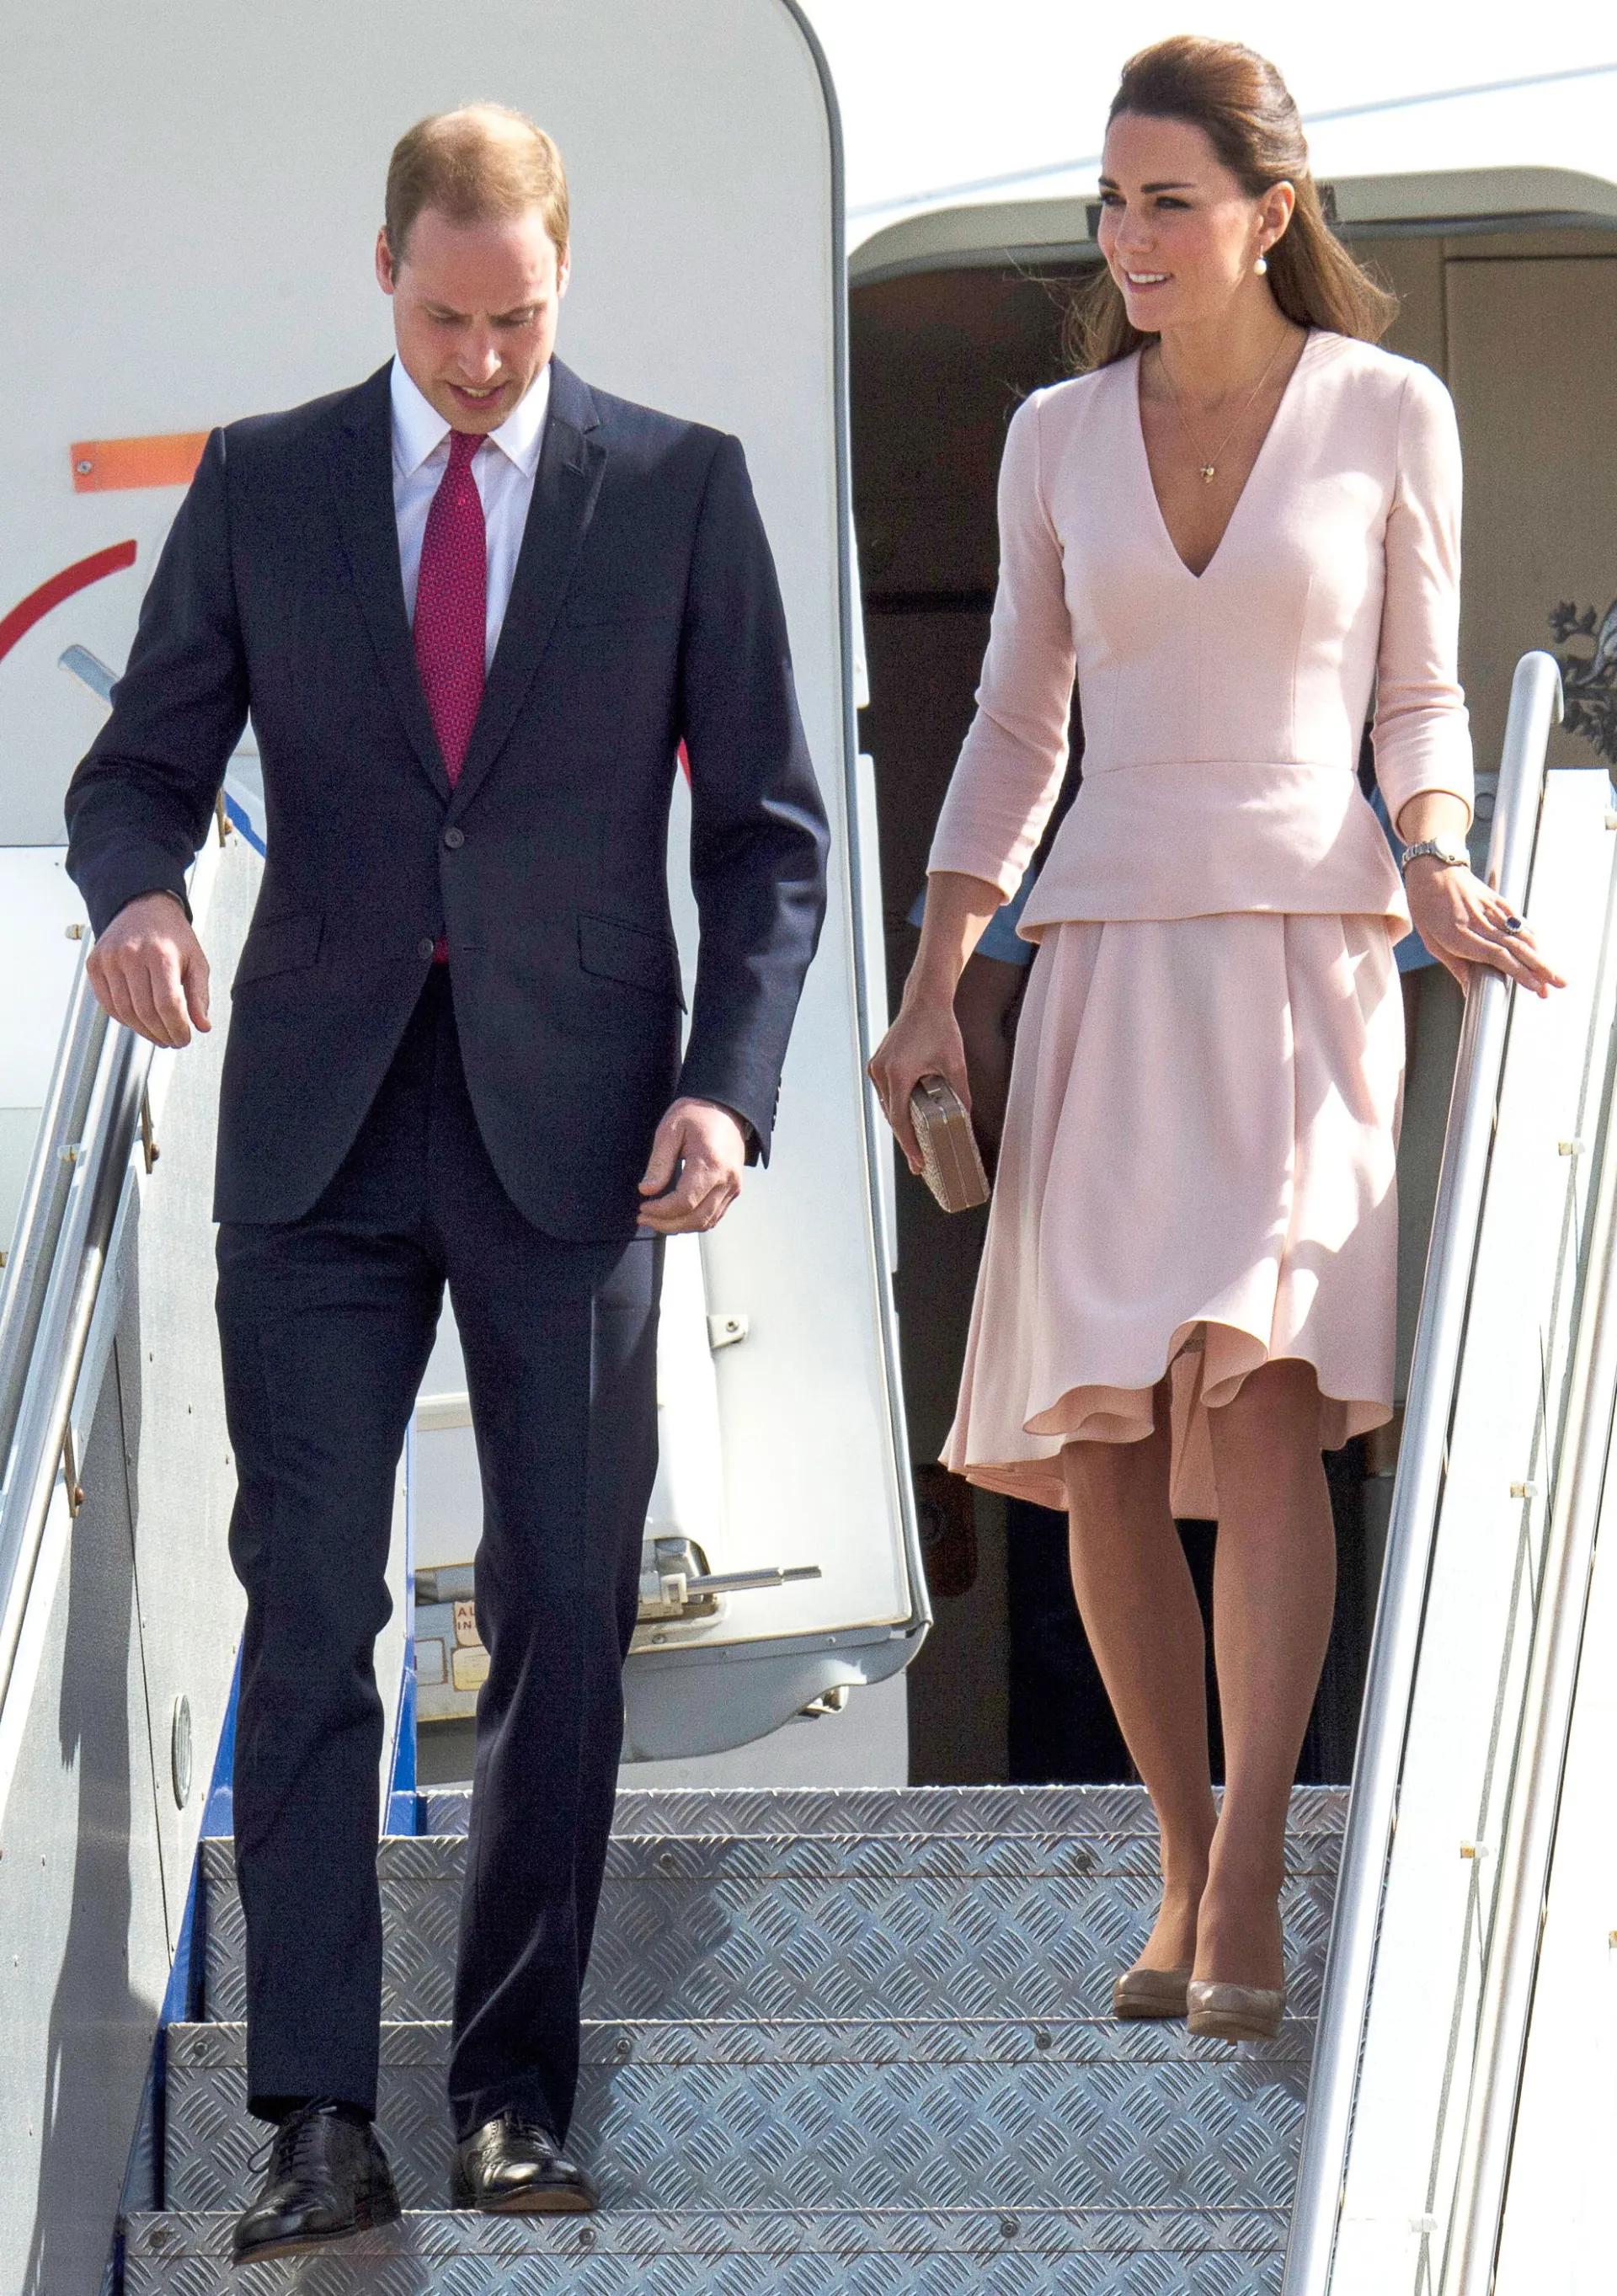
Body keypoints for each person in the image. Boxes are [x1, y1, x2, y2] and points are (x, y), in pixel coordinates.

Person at [65, 106, 827, 2256]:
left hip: (579, 1133)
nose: (483, 364)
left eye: (520, 322)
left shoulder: (677, 489)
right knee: (310, 1605)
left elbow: (767, 836)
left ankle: (511, 2094)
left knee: (561, 1606)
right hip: (317, 1124)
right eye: (447, 321)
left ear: (561, 283)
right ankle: (317, 2117)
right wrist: (140, 896)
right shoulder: (269, 479)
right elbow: (137, 770)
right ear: (382, 272)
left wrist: (729, 1091)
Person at [869, 35, 1561, 2046]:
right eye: (1112, 201)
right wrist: (935, 979)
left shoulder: (1389, 408)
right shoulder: (1052, 436)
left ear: (1272, 213)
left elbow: (1421, 694)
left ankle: (1252, 1868)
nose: (1131, 237)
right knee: (1100, 1441)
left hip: (1305, 952)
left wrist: (1438, 849)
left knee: (1260, 1412)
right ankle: (1180, 1858)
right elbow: (1018, 724)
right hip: (1102, 952)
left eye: (1168, 200)